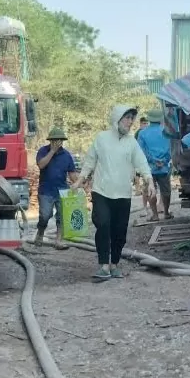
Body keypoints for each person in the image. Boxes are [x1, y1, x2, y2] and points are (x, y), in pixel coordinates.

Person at [71, 105, 154, 281]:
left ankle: (114, 264)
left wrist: (149, 180)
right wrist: (80, 180)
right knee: (102, 224)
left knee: (119, 230)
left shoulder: (132, 142)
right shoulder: (101, 138)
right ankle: (103, 265)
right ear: (117, 119)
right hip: (101, 191)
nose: (130, 122)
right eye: (127, 118)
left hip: (123, 193)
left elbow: (141, 163)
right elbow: (90, 161)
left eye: (132, 118)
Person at [34, 126, 79, 248]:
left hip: (62, 190)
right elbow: (41, 165)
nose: (57, 142)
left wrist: (80, 183)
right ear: (50, 141)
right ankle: (40, 232)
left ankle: (58, 241)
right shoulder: (43, 151)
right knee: (45, 215)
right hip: (46, 190)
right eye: (55, 140)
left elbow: (72, 173)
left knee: (62, 216)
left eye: (60, 140)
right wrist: (52, 151)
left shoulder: (67, 155)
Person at [136, 108, 173, 221]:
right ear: (160, 118)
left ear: (149, 119)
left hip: (149, 168)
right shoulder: (167, 131)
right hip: (164, 168)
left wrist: (153, 160)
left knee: (150, 191)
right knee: (166, 191)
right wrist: (164, 161)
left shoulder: (142, 133)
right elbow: (171, 149)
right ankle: (166, 213)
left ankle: (155, 215)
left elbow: (141, 151)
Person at [135, 116, 150, 212]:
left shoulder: (148, 132)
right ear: (140, 124)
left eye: (146, 123)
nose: (145, 125)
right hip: (141, 161)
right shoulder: (138, 133)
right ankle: (145, 207)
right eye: (143, 123)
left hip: (149, 161)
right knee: (145, 185)